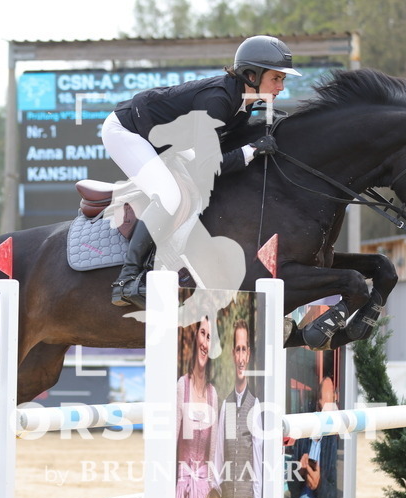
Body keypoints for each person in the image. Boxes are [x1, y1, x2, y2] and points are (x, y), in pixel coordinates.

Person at [103, 35, 301, 308]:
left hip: (163, 140)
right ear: (251, 75)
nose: (281, 87)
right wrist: (252, 150)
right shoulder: (218, 100)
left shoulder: (241, 101)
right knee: (169, 196)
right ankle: (126, 280)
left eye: (282, 80)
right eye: (276, 78)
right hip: (127, 132)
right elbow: (209, 166)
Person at [211, 319, 263, 498]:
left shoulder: (255, 408)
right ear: (232, 354)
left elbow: (258, 483)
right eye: (237, 349)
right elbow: (218, 471)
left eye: (245, 350)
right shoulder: (225, 405)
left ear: (249, 354)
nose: (241, 356)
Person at [175, 316, 219, 498]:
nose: (205, 342)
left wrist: (214, 496)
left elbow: (214, 452)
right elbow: (169, 442)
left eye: (210, 337)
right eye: (202, 334)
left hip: (204, 492)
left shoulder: (214, 394)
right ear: (194, 340)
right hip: (182, 492)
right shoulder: (182, 387)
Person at [287, 375, 339, 498]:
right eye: (325, 402)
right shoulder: (304, 435)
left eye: (332, 403)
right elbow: (291, 485)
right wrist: (300, 471)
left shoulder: (333, 441)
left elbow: (333, 497)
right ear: (318, 402)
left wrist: (319, 484)